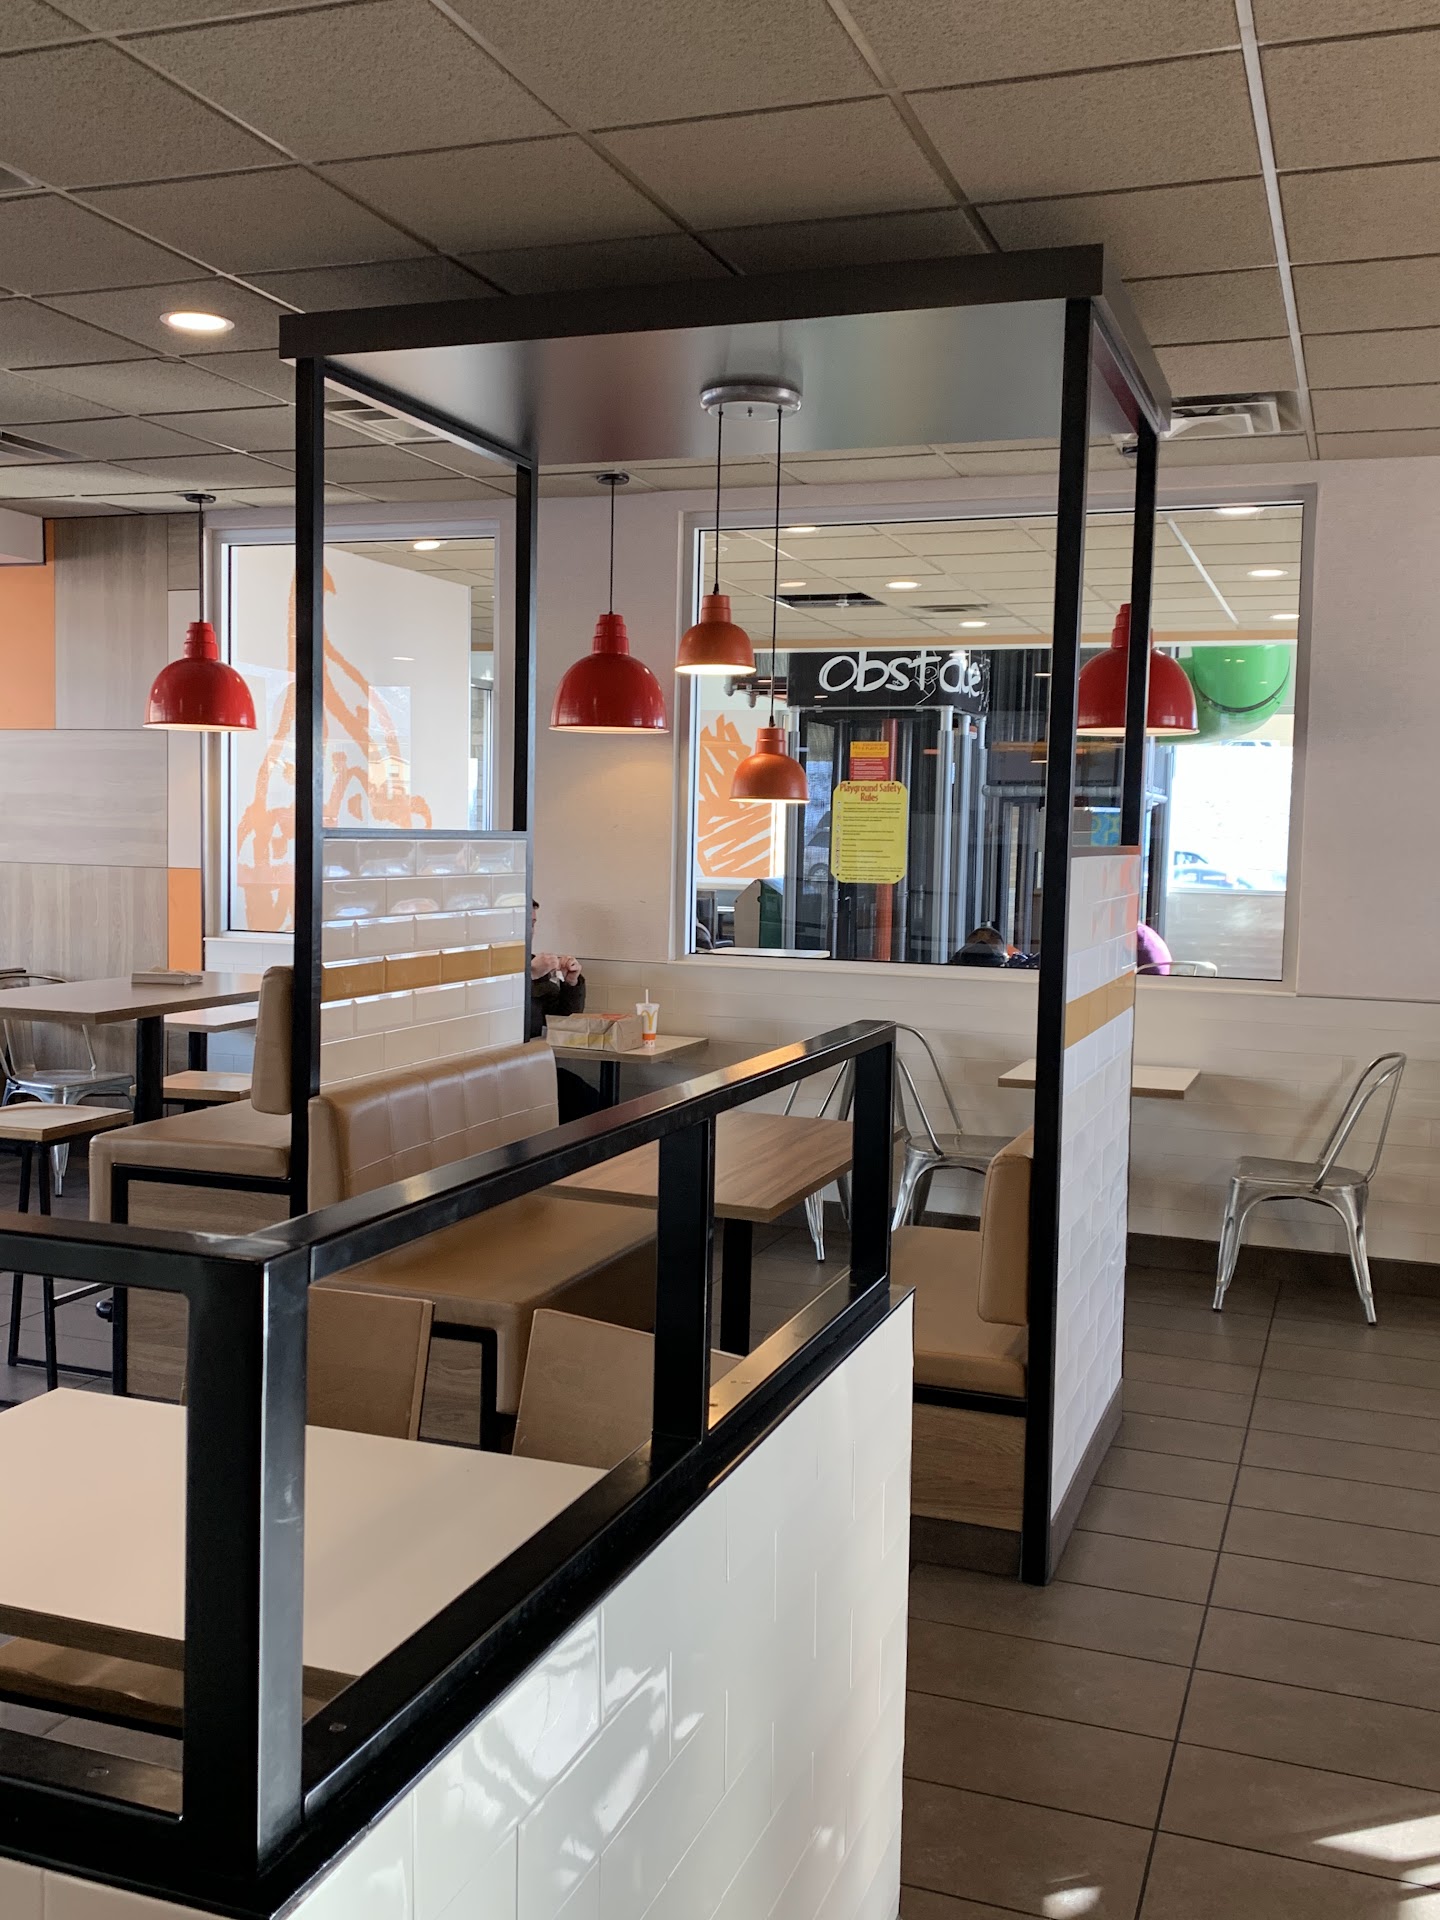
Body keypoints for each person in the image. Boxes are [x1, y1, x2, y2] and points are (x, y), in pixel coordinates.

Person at [529, 900, 603, 1123]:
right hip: (507, 1071)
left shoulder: (534, 963)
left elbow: (562, 1021)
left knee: (593, 1104)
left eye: (533, 923)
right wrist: (529, 976)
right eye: (525, 923)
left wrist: (571, 983)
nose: (531, 931)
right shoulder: (494, 969)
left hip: (537, 1064)